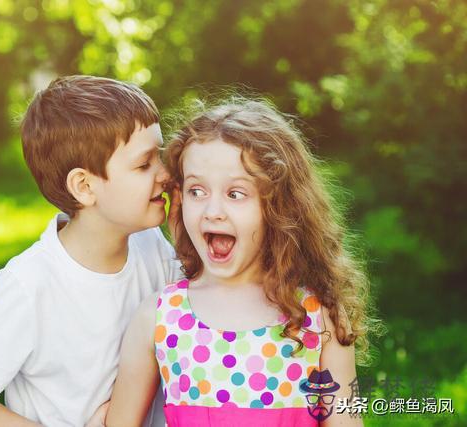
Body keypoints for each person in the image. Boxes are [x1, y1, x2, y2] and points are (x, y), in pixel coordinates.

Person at [106, 96, 378, 426]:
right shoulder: (160, 317)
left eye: (235, 194)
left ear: (279, 207)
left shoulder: (320, 319)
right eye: (196, 191)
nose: (213, 211)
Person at [0, 75, 180, 426]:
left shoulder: (151, 245)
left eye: (160, 155)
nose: (166, 173)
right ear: (84, 186)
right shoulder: (30, 284)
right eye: (144, 165)